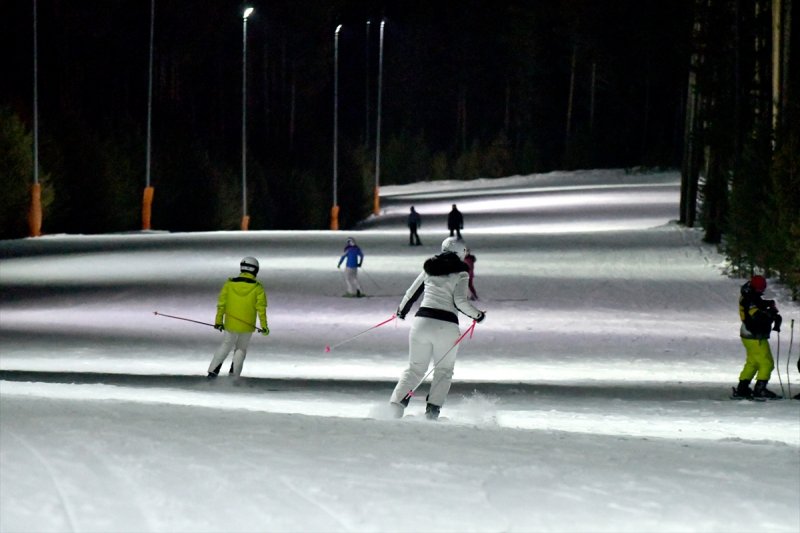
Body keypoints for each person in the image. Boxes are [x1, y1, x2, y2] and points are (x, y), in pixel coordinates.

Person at [389, 237, 486, 420]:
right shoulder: (461, 274)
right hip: (446, 326)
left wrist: (401, 312)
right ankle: (432, 412)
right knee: (443, 370)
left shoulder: (429, 270)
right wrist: (478, 315)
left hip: (421, 324)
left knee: (415, 369)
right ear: (461, 253)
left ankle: (395, 407)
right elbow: (459, 301)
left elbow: (412, 293)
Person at [207, 257, 269, 378]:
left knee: (226, 345)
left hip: (231, 323)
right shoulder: (257, 288)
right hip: (247, 325)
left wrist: (218, 321)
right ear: (255, 270)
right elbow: (261, 309)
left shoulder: (229, 284)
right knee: (241, 348)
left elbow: (221, 304)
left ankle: (212, 371)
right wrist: (264, 327)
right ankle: (234, 375)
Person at [731, 275, 783, 399]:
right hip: (754, 335)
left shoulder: (749, 293)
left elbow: (757, 304)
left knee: (753, 362)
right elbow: (757, 316)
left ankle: (742, 388)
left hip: (747, 333)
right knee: (767, 363)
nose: (761, 291)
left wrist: (767, 304)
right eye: (760, 289)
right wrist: (771, 314)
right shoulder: (749, 298)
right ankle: (760, 389)